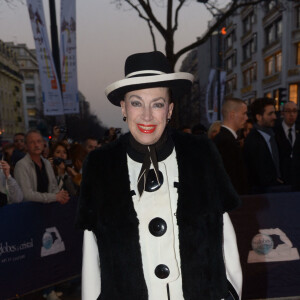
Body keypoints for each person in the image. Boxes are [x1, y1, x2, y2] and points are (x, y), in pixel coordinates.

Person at [76, 51, 242, 300]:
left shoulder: (200, 154)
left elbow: (224, 236)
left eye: (157, 103)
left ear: (169, 109)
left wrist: (230, 293)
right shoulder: (101, 165)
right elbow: (92, 252)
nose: (146, 115)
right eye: (136, 102)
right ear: (123, 107)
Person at [14, 130, 69, 204]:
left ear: (43, 144)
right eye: (32, 142)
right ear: (26, 146)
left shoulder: (46, 163)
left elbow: (53, 187)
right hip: (29, 210)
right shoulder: (21, 165)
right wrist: (54, 197)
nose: (36, 145)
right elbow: (26, 195)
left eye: (39, 141)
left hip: (47, 209)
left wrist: (61, 196)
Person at [243, 98, 285, 193]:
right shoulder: (252, 141)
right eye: (270, 114)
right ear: (259, 117)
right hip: (263, 196)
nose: (275, 117)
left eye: (274, 113)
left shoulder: (275, 135)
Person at [214, 98, 249, 195]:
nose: (246, 118)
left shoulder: (225, 139)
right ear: (232, 115)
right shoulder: (226, 142)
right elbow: (232, 178)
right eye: (244, 113)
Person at [275, 101, 300, 186]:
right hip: (281, 180)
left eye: (294, 111)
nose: (292, 114)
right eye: (288, 111)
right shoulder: (275, 132)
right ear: (282, 113)